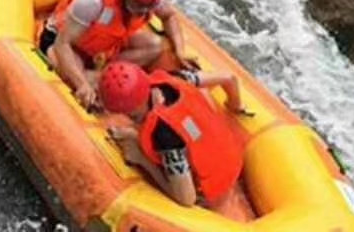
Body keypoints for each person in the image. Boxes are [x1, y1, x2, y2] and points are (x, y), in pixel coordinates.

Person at [38, 0, 199, 110]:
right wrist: (81, 84)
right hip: (66, 43)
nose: (144, 11)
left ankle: (101, 77)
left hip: (104, 45)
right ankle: (93, 81)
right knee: (71, 75)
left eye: (148, 6)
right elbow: (63, 43)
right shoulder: (93, 0)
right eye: (139, 6)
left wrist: (179, 51)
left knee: (155, 45)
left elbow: (169, 16)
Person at [99, 61, 250, 207]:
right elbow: (229, 78)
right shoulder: (173, 78)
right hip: (231, 152)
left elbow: (186, 199)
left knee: (162, 160)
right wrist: (235, 106)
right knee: (201, 97)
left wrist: (142, 159)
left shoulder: (163, 134)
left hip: (214, 189)